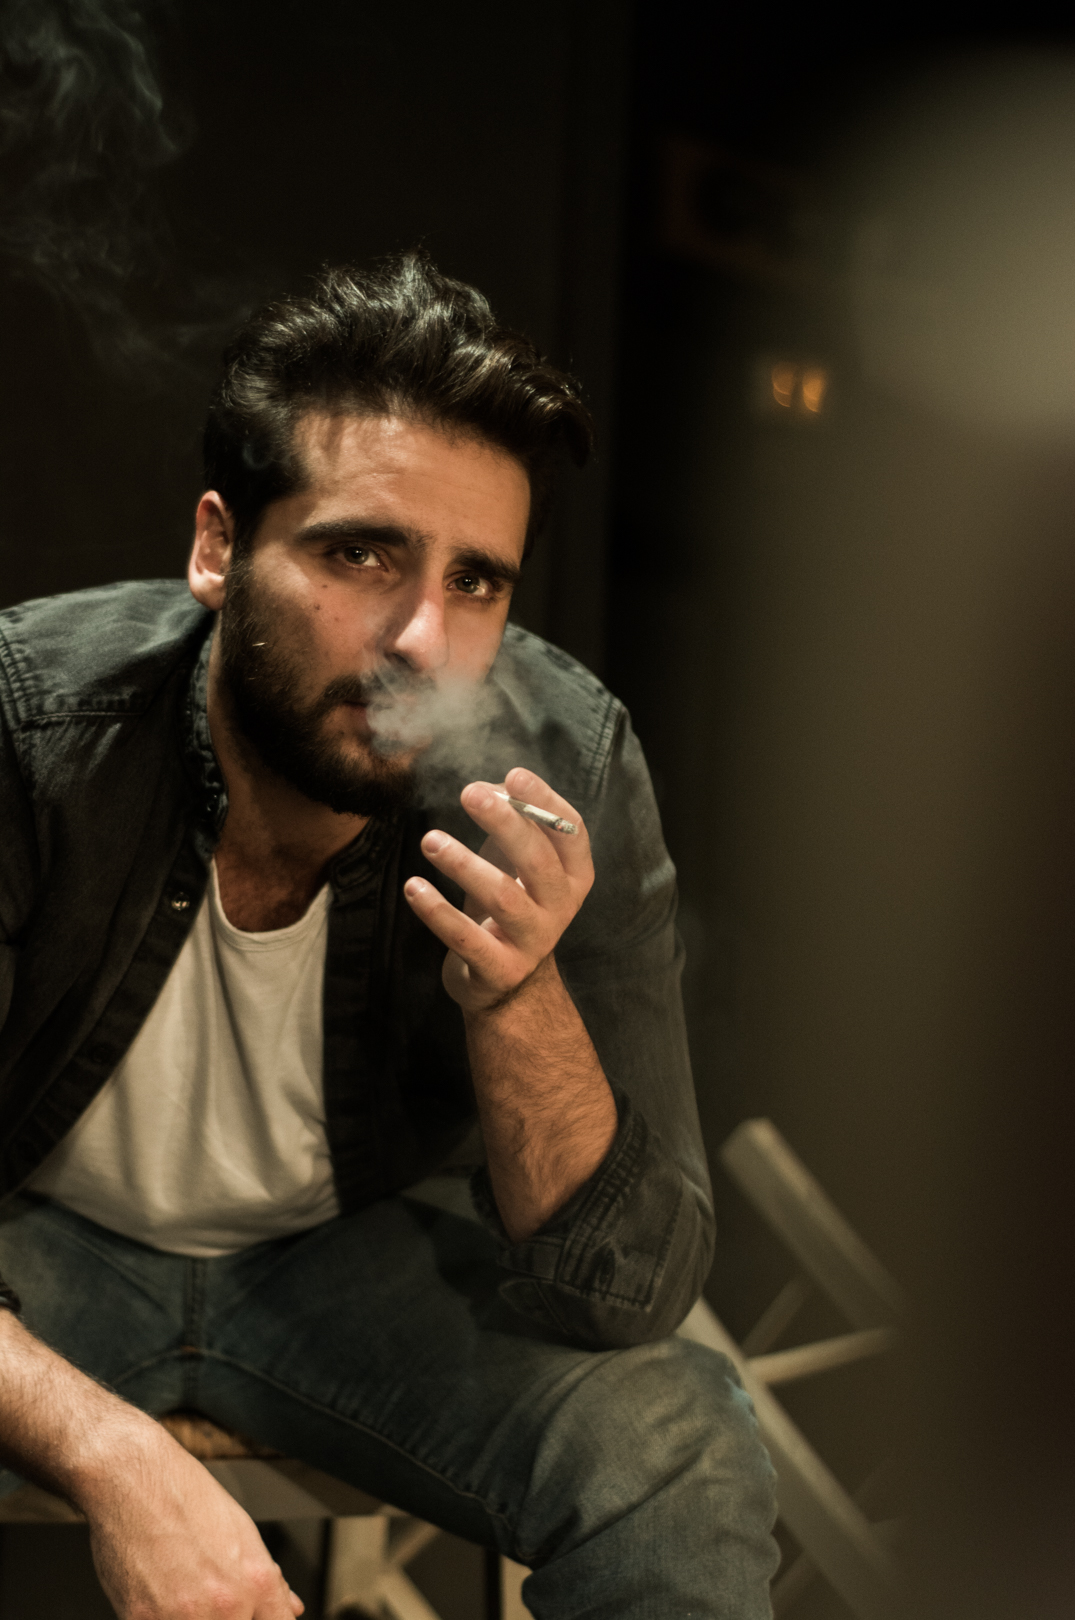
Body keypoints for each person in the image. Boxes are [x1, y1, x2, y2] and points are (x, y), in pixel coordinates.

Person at [0, 252, 778, 1618]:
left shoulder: (563, 766)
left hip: (338, 1270)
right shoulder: (30, 729)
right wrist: (118, 1460)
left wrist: (518, 994)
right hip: (34, 1247)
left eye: (477, 582)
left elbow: (625, 1289)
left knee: (677, 1439)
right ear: (218, 549)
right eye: (360, 554)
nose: (423, 638)